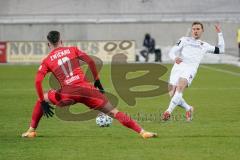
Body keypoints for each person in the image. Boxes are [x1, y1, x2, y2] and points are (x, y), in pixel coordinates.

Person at [22, 31, 157, 139]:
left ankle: (31, 130)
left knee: (43, 98)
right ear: (61, 41)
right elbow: (91, 62)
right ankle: (143, 132)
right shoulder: (72, 49)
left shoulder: (46, 60)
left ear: (48, 44)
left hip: (67, 93)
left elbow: (37, 81)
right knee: (114, 112)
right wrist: (97, 80)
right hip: (86, 89)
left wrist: (42, 100)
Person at [162, 22, 225, 121]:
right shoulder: (184, 40)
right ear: (192, 30)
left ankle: (168, 111)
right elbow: (172, 51)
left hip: (190, 69)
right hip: (178, 67)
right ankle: (189, 108)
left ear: (202, 31)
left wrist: (219, 33)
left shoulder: (205, 45)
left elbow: (221, 50)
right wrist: (175, 58)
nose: (195, 31)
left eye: (198, 29)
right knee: (172, 95)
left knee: (180, 87)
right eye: (194, 29)